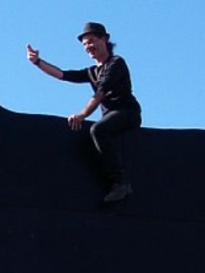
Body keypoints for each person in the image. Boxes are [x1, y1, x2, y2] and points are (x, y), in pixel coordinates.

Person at [27, 21, 142, 203]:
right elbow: (63, 75)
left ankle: (121, 183)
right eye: (85, 43)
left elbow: (100, 92)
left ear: (104, 40)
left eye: (91, 41)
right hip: (110, 116)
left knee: (98, 130)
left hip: (127, 112)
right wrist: (37, 62)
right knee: (95, 131)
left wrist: (83, 114)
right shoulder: (92, 72)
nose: (88, 46)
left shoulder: (116, 63)